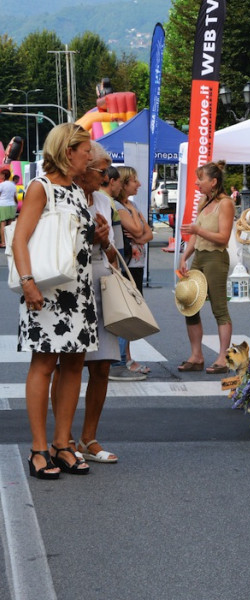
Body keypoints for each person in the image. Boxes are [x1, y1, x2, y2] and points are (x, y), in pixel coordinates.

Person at [12, 123, 100, 478]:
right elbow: (20, 240)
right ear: (67, 151)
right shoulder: (40, 188)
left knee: (74, 366)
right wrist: (27, 282)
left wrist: (98, 235)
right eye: (85, 150)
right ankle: (38, 449)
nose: (89, 156)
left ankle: (62, 444)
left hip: (78, 290)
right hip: (46, 291)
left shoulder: (78, 191)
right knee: (44, 365)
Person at [52, 142, 120, 463]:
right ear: (85, 165)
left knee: (102, 365)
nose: (107, 176)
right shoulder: (65, 195)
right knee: (67, 365)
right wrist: (89, 238)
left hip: (101, 280)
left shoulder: (105, 201)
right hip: (71, 281)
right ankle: (62, 437)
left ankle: (88, 438)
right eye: (102, 169)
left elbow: (116, 254)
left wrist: (106, 242)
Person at [178, 160, 235, 374]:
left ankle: (223, 357)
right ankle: (196, 356)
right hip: (199, 257)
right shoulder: (204, 201)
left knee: (219, 308)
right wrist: (185, 256)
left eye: (200, 179)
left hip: (215, 258)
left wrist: (197, 231)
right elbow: (196, 232)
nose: (196, 183)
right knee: (189, 305)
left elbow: (223, 237)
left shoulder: (225, 203)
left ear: (213, 181)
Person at [109, 166, 153, 380]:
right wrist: (138, 222)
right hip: (127, 264)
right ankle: (120, 359)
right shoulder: (119, 206)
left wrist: (140, 232)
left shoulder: (131, 205)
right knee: (127, 312)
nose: (139, 184)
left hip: (136, 264)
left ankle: (126, 356)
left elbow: (148, 234)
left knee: (133, 311)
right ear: (124, 183)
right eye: (134, 181)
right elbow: (138, 230)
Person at [0, 168, 17, 248]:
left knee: (3, 223)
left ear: (4, 175)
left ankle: (3, 243)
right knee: (10, 224)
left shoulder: (2, 185)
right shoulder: (13, 184)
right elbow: (14, 197)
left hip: (3, 205)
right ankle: (10, 242)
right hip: (11, 205)